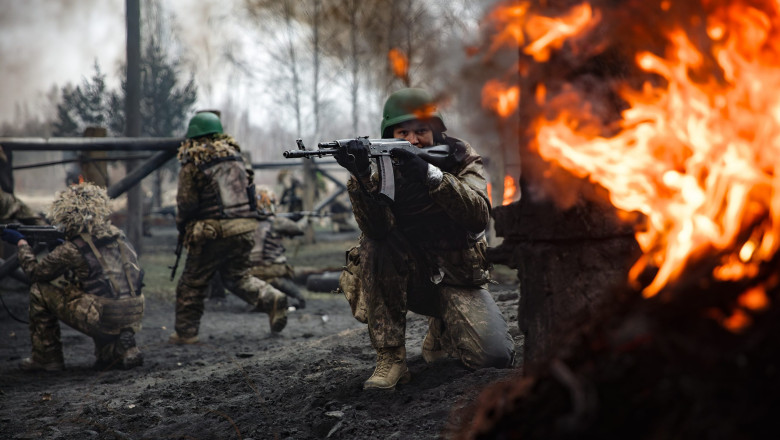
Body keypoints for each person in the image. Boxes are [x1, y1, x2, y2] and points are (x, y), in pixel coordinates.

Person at [336, 88, 515, 390]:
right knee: (376, 243)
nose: (413, 139)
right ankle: (391, 358)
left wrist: (430, 174)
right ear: (389, 135)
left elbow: (479, 215)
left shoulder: (459, 157)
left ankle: (442, 327)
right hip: (408, 279)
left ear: (436, 131)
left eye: (421, 131)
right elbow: (377, 229)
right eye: (403, 132)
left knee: (494, 357)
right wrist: (362, 178)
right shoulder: (379, 168)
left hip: (457, 277)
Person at [170, 111, 288, 344]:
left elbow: (187, 203)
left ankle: (186, 333)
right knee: (237, 277)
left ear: (193, 135)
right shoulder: (236, 157)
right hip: (244, 229)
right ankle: (271, 297)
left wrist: (183, 226)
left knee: (192, 282)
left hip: (212, 232)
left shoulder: (193, 162)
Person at [0, 182, 144, 371]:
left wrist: (21, 244)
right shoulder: (118, 236)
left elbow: (35, 273)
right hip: (133, 311)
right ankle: (121, 349)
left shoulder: (72, 249)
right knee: (105, 358)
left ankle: (47, 358)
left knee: (39, 290)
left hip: (102, 314)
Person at [249, 186, 307, 309]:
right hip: (272, 268)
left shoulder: (247, 221)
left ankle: (262, 299)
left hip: (250, 269)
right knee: (283, 276)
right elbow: (299, 230)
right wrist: (306, 218)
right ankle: (296, 298)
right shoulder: (277, 222)